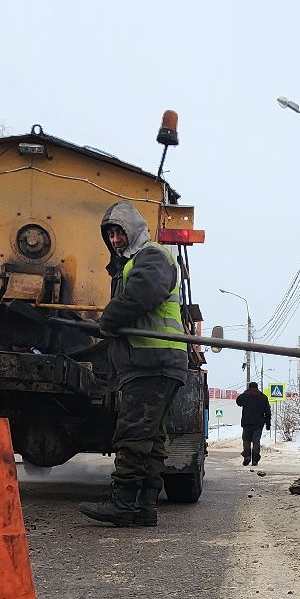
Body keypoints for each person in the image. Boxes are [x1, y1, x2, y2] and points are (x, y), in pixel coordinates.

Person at [78, 201, 188, 528]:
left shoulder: (152, 256)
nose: (114, 239)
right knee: (151, 438)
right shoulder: (131, 263)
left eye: (119, 232)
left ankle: (123, 503)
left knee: (134, 432)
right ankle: (145, 506)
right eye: (109, 234)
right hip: (155, 361)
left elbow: (144, 293)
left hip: (152, 360)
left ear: (134, 229)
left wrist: (108, 319)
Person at [235, 381, 271, 466]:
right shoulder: (263, 397)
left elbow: (238, 402)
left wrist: (245, 393)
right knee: (256, 441)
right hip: (258, 424)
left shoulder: (246, 396)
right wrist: (268, 423)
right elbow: (267, 411)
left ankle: (247, 456)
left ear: (249, 387)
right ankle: (255, 460)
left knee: (246, 441)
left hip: (247, 423)